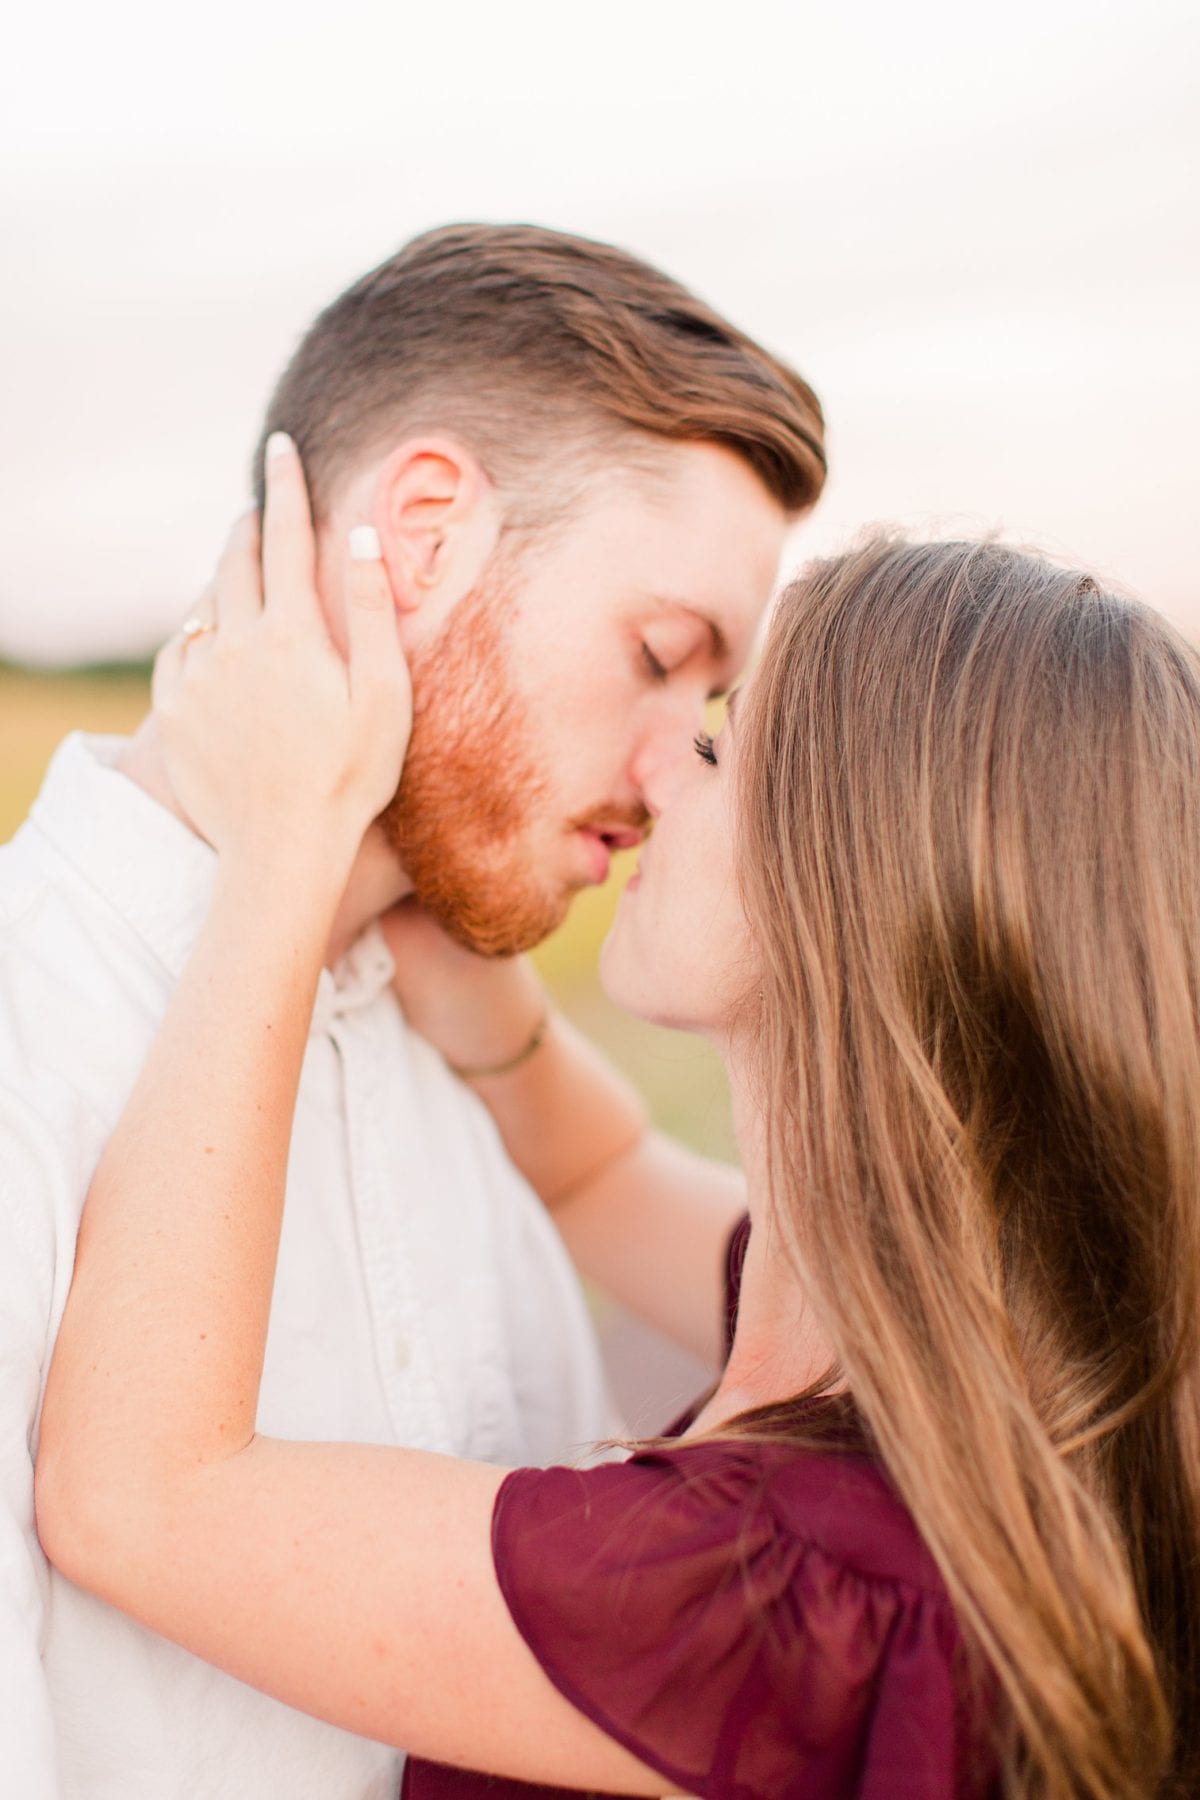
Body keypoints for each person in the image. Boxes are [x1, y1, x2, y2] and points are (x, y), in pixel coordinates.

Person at [36, 448, 1200, 1799]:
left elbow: (140, 1497)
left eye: (716, 743)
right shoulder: (954, 1340)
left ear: (849, 900)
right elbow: (599, 1173)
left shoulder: (785, 1588)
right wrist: (486, 1005)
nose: (655, 773)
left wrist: (286, 837)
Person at [0, 224, 825, 1799]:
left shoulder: (471, 1088)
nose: (680, 773)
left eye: (707, 705)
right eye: (661, 656)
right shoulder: (26, 1048)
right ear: (425, 535)